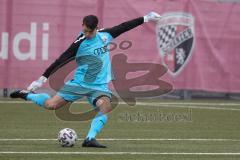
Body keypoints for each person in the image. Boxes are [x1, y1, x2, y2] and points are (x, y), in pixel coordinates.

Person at [10, 12, 161, 148]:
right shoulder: (79, 43)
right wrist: (41, 80)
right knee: (51, 105)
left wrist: (146, 18)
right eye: (85, 30)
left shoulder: (105, 35)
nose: (87, 33)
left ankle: (89, 139)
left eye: (90, 31)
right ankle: (26, 94)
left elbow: (124, 26)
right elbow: (60, 60)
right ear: (82, 26)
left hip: (99, 87)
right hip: (79, 84)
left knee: (106, 107)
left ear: (97, 28)